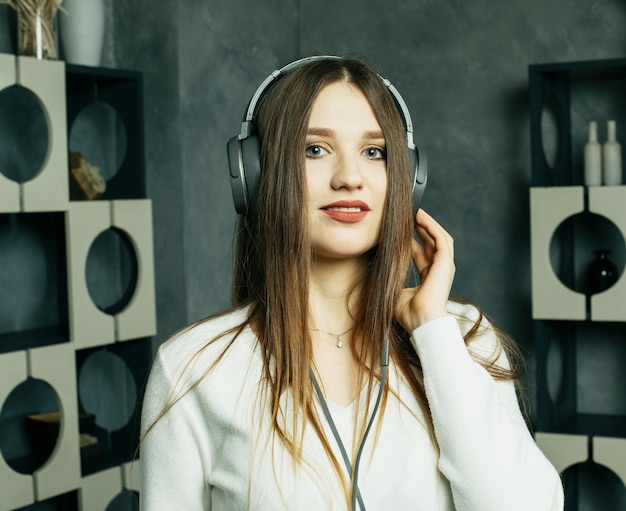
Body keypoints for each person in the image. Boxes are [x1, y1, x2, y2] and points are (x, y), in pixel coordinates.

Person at [140, 55, 564, 511]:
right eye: (315, 149)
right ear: (254, 175)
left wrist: (432, 330)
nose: (349, 178)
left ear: (407, 179)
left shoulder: (460, 339)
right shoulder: (193, 368)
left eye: (374, 152)